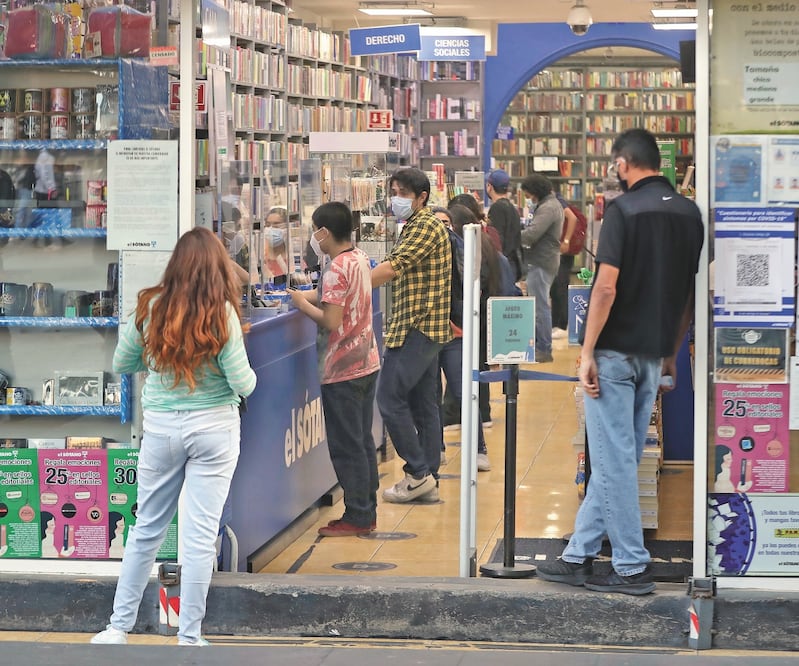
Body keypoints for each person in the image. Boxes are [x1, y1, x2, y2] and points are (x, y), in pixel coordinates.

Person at [536, 128, 703, 596]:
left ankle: (630, 565)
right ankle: (578, 555)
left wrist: (586, 351)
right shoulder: (690, 214)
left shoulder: (623, 210)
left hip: (613, 353)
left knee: (612, 463)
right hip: (654, 352)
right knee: (618, 457)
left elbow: (605, 287)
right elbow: (687, 294)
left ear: (623, 164)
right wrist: (672, 351)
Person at [91, 226, 257, 646]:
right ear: (218, 267)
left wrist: (160, 357)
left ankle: (117, 627)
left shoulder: (150, 307)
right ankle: (189, 635)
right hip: (215, 429)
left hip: (162, 427)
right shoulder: (221, 313)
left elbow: (123, 360)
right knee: (199, 537)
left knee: (146, 528)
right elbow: (243, 382)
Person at [289, 202, 381, 535]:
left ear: (324, 232)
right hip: (366, 362)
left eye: (315, 230)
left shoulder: (335, 268)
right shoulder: (357, 259)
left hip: (342, 368)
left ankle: (357, 516)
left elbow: (331, 318)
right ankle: (366, 508)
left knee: (345, 445)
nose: (315, 238)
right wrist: (310, 294)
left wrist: (301, 305)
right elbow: (335, 295)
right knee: (362, 441)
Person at [372, 167, 451, 504]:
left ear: (422, 197)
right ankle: (427, 477)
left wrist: (347, 285)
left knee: (389, 399)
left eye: (403, 193)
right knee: (424, 405)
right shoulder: (415, 225)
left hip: (417, 327)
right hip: (424, 326)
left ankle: (417, 472)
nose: (396, 199)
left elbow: (394, 266)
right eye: (394, 191)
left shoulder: (425, 225)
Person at [431, 205, 491, 472]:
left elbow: (474, 287)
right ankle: (436, 449)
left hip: (455, 334)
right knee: (429, 396)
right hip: (428, 336)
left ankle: (478, 448)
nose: (441, 228)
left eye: (446, 222)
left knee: (465, 391)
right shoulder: (421, 255)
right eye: (436, 223)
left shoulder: (462, 252)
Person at [519, 174, 563, 363]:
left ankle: (544, 348)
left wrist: (512, 235)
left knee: (540, 306)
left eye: (528, 194)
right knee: (540, 304)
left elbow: (532, 234)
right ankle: (541, 345)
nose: (528, 198)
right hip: (542, 260)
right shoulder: (548, 205)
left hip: (542, 261)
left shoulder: (548, 208)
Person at [549, 193, 579, 339]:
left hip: (563, 252)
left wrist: (566, 240)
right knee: (555, 287)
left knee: (560, 286)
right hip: (556, 252)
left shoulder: (557, 201)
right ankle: (555, 324)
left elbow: (572, 217)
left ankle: (562, 324)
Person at [486, 169, 523, 281]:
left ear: (489, 186)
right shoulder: (512, 208)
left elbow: (497, 239)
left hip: (502, 265)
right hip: (512, 262)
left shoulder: (497, 208)